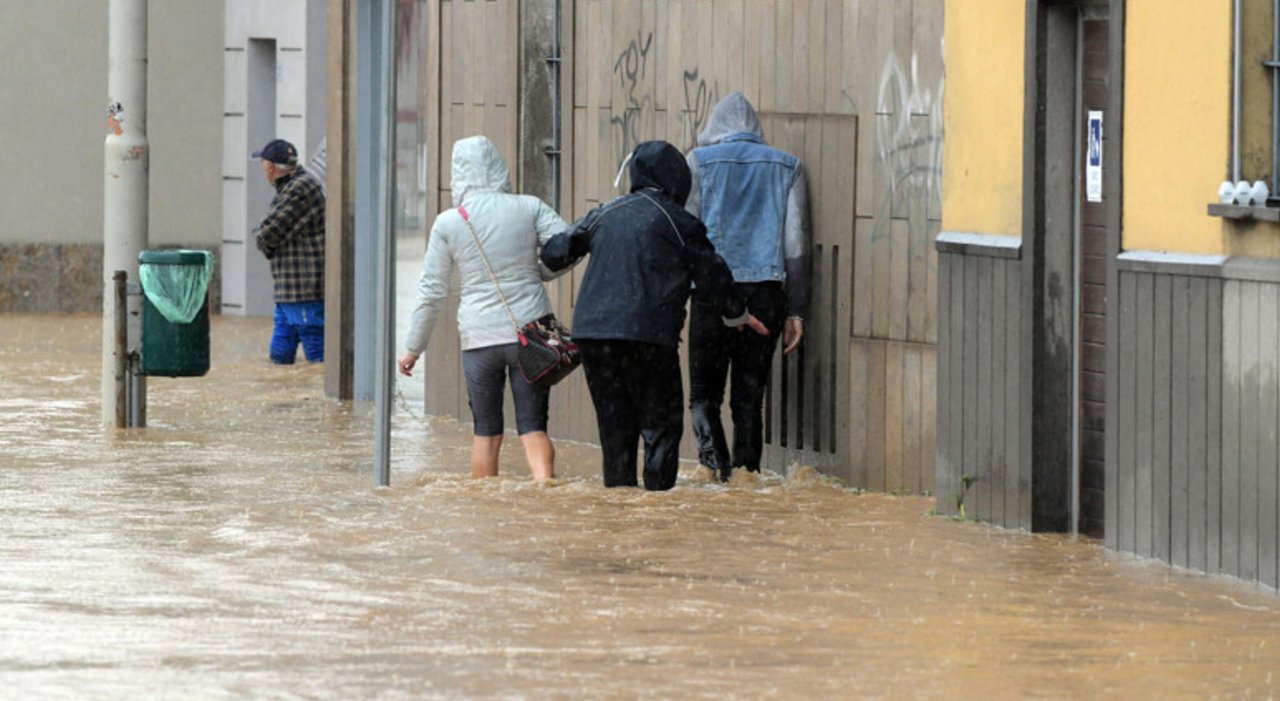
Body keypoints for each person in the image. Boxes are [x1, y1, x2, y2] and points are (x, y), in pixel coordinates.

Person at [541, 140, 769, 491]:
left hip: (593, 337)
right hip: (647, 338)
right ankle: (656, 510)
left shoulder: (605, 212)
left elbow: (556, 251)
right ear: (677, 179)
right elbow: (713, 273)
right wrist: (737, 315)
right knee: (661, 429)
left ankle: (619, 511)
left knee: (615, 431)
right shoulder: (678, 221)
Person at [397, 136, 569, 480]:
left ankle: (484, 504)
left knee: (486, 432)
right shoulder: (529, 207)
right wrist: (537, 273)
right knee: (533, 427)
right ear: (499, 166)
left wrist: (414, 348)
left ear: (457, 174)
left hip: (480, 341)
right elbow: (569, 247)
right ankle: (546, 495)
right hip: (531, 336)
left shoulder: (448, 222)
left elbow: (432, 291)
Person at [684, 92, 811, 482]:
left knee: (704, 396)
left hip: (712, 294)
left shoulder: (698, 162)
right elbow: (796, 245)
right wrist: (797, 310)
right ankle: (746, 480)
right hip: (767, 293)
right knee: (749, 401)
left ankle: (717, 474)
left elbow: (688, 235)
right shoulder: (788, 166)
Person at [252, 138, 327, 364]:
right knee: (280, 357)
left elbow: (268, 233)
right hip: (288, 291)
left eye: (262, 163)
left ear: (270, 166)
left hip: (303, 290)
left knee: (317, 352)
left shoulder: (300, 188)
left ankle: (323, 399)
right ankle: (283, 399)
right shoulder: (290, 187)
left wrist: (262, 237)